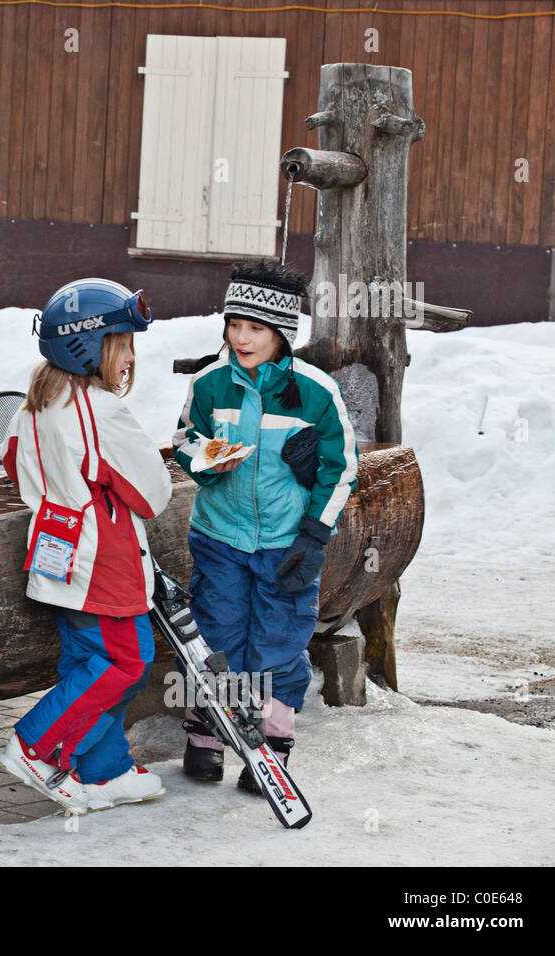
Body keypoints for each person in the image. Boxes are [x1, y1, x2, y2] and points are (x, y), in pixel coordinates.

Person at [171, 261, 358, 793]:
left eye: (256, 329)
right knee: (216, 636)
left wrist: (315, 534)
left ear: (282, 334)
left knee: (278, 640)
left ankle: (270, 745)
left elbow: (340, 467)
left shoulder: (316, 391)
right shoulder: (210, 383)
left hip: (286, 540)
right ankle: (206, 735)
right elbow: (185, 440)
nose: (242, 338)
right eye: (234, 325)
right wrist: (209, 458)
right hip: (220, 536)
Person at [0, 278, 173, 814]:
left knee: (87, 662)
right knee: (126, 659)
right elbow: (152, 493)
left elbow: (12, 463)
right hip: (104, 558)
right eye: (122, 344)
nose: (129, 358)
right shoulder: (99, 409)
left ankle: (103, 770)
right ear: (89, 345)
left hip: (56, 548)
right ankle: (37, 745)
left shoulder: (34, 404)